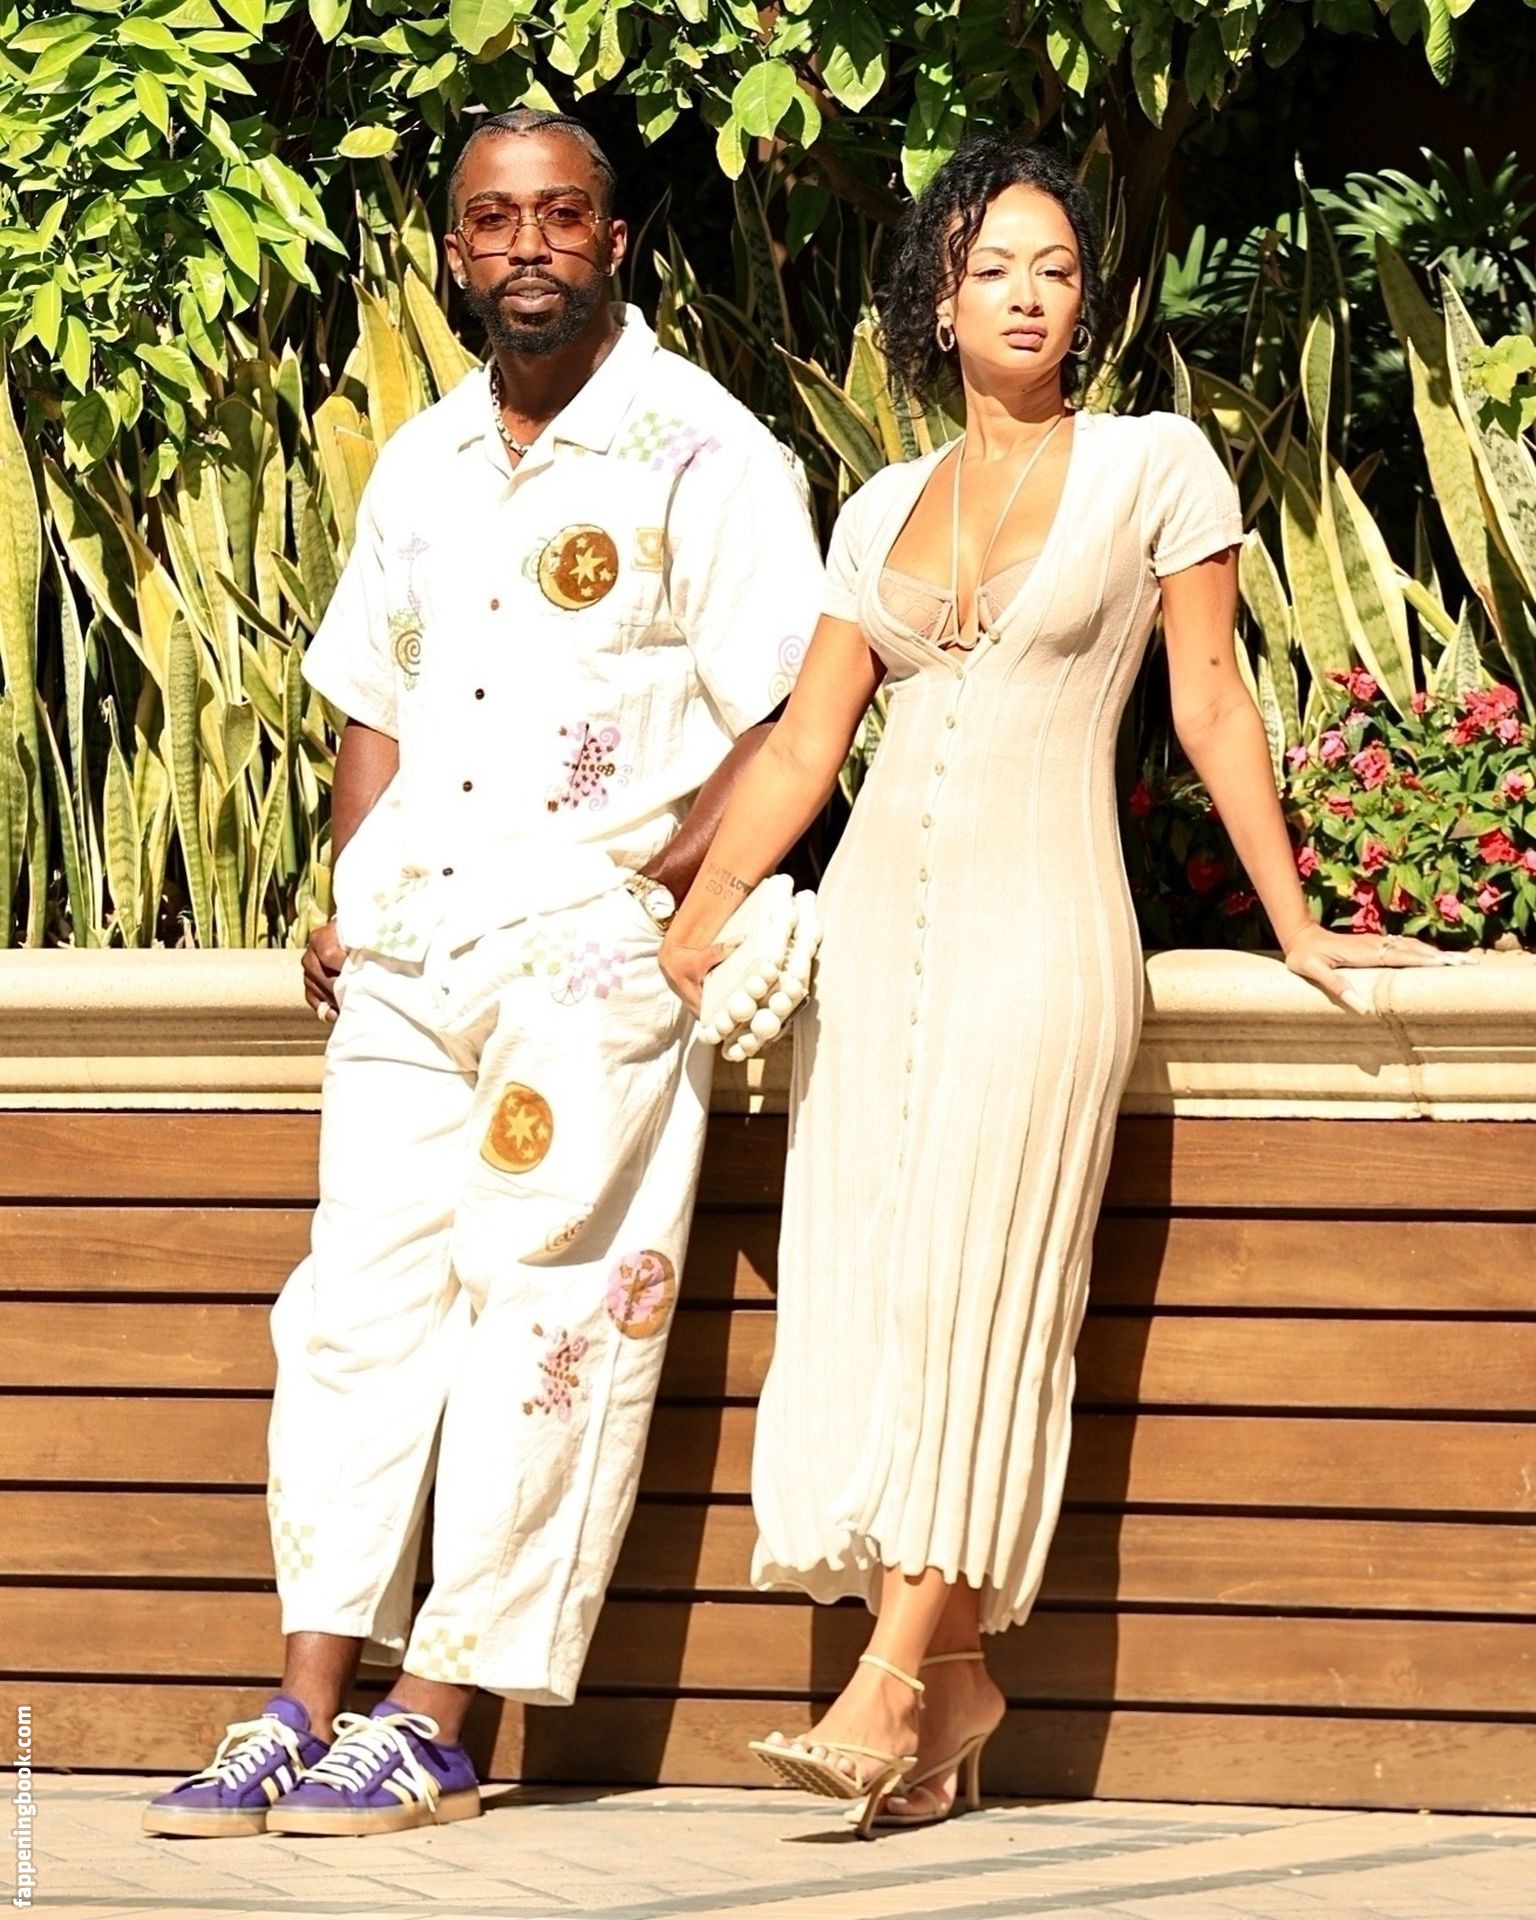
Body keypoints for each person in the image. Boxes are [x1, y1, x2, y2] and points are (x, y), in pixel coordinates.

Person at [659, 136, 1454, 1837]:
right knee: (881, 1291)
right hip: (875, 945)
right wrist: (699, 916)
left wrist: (1298, 923)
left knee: (987, 1293)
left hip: (1044, 936)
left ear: (1086, 304)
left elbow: (1211, 700)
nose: (1029, 296)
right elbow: (805, 748)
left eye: (1058, 270)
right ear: (938, 301)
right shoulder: (878, 506)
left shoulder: (1155, 466)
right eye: (993, 269)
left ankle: (885, 1682)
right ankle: (952, 1701)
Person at [143, 107, 823, 1840]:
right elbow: (373, 698)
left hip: (587, 962)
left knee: (544, 1311)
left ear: (615, 239)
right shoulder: (426, 458)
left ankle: (438, 1714)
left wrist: (658, 909)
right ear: (454, 250)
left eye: (562, 215)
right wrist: (354, 883)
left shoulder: (706, 452)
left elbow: (787, 722)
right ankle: (305, 1701)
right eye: (495, 219)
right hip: (412, 955)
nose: (530, 245)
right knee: (353, 1314)